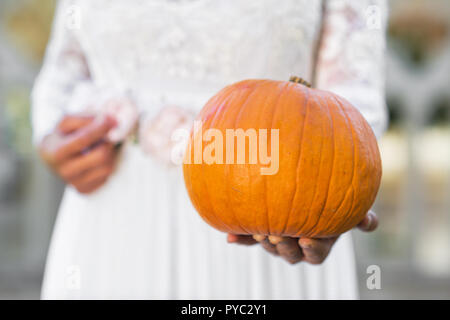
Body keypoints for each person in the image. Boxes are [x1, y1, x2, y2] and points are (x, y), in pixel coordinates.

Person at [32, 0, 388, 299]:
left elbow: (353, 99)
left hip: (272, 204)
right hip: (113, 215)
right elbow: (63, 68)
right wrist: (51, 135)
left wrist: (334, 199)